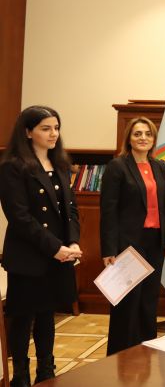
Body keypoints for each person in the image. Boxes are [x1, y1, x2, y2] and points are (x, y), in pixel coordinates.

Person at [0, 106, 81, 386]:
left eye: (56, 128)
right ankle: (21, 375)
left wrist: (72, 241)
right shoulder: (12, 167)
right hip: (29, 255)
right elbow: (20, 217)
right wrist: (55, 247)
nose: (53, 134)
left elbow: (71, 209)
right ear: (27, 132)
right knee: (23, 317)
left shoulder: (60, 164)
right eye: (46, 128)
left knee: (48, 314)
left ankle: (46, 370)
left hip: (58, 254)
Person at [100, 117, 165, 355]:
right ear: (129, 139)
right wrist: (109, 249)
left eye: (148, 134)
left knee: (149, 298)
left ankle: (145, 350)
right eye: (137, 134)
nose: (143, 138)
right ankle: (121, 353)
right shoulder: (117, 166)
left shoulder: (159, 166)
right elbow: (108, 210)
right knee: (128, 300)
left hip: (155, 241)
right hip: (128, 243)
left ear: (153, 139)